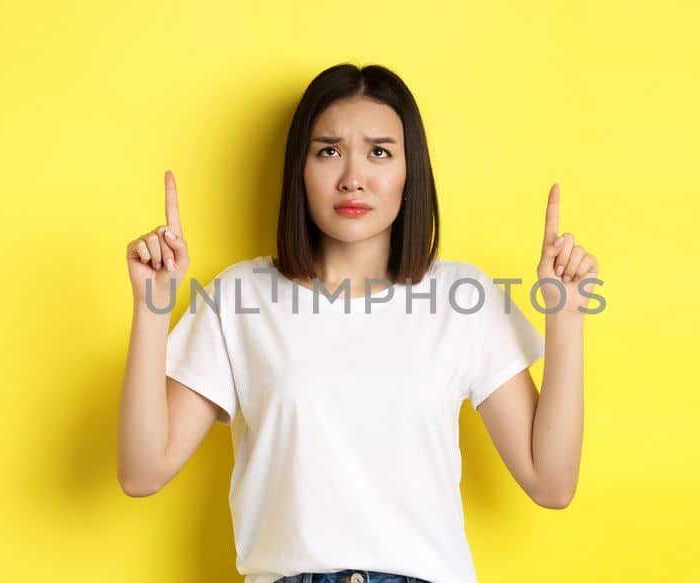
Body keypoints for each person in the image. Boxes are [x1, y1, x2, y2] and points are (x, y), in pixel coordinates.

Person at [118, 63, 598, 583]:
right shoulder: (240, 297)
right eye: (328, 150)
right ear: (299, 170)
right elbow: (143, 471)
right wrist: (151, 307)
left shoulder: (466, 299)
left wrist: (567, 318)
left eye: (379, 152)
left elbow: (551, 484)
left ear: (409, 171)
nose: (353, 178)